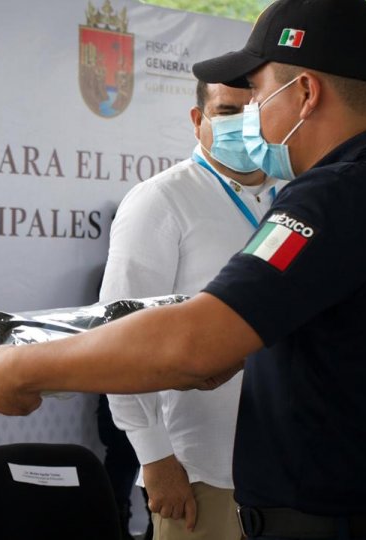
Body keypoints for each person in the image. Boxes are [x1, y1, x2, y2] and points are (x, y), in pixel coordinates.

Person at [0, 1, 366, 539]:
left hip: (321, 520)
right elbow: (352, 336)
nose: (253, 115)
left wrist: (25, 367)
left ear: (306, 93)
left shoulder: (332, 197)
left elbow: (191, 343)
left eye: (259, 95)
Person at [102, 80, 279, 540]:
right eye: (227, 111)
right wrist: (154, 455)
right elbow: (119, 336)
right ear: (198, 120)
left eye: (253, 111)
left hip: (288, 465)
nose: (242, 124)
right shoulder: (161, 200)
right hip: (198, 467)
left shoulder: (295, 198)